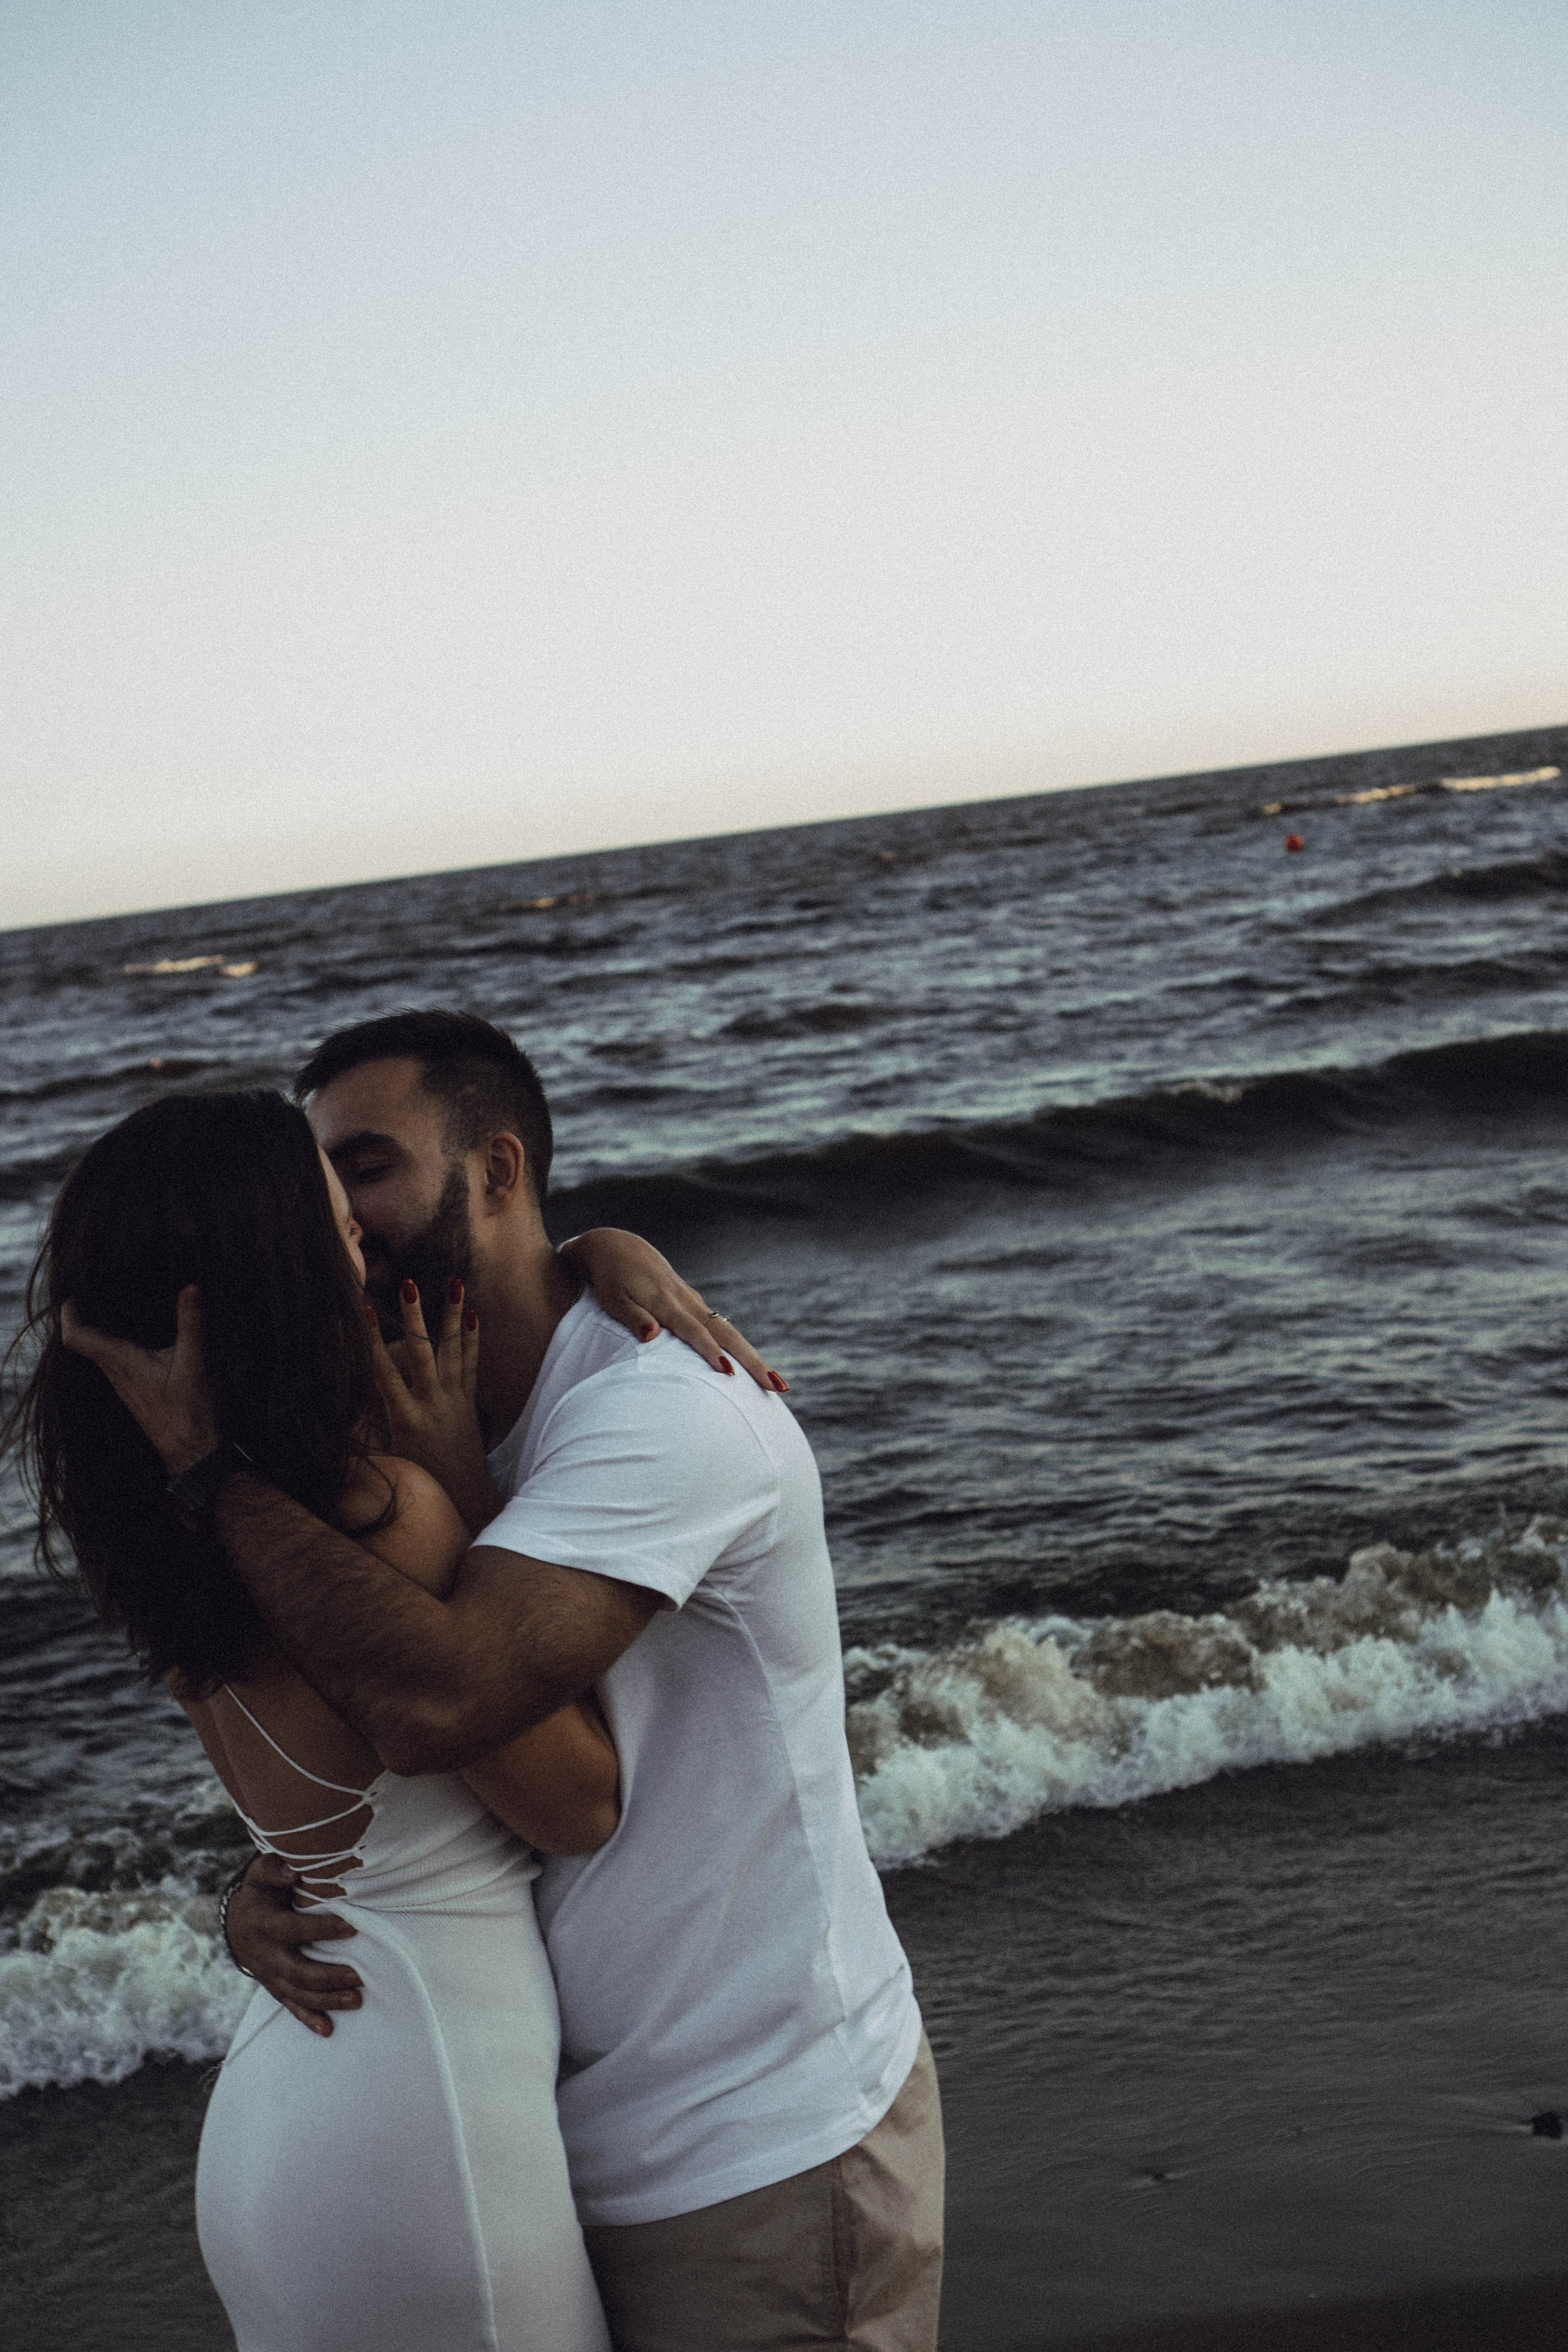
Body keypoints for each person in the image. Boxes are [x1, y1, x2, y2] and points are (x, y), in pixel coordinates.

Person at [71, 1010, 945, 2352]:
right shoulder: (376, 1449)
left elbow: (437, 1707)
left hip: (738, 2129)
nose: (345, 1222)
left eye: (368, 1169)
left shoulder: (659, 1406)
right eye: (321, 1187)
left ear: (493, 1175)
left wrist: (601, 1254)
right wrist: (288, 1877)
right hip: (504, 2117)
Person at [4, 1084, 765, 2352]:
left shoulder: (156, 1526)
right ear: (275, 1264)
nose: (361, 1234)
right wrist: (463, 1486)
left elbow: (336, 1788)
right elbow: (575, 1805)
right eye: (328, 1213)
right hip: (426, 2119)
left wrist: (588, 1250)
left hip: (286, 2098)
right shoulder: (377, 1512)